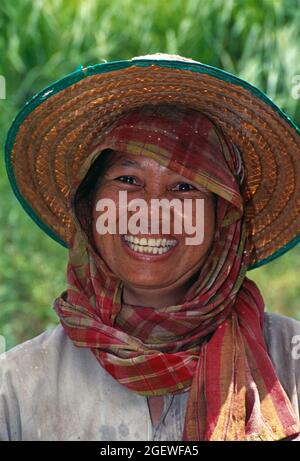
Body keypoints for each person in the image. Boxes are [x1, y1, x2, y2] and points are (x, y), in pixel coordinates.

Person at [1, 54, 300, 441]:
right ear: (89, 207)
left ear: (222, 218)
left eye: (184, 186)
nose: (151, 211)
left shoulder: (290, 364)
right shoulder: (17, 386)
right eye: (128, 179)